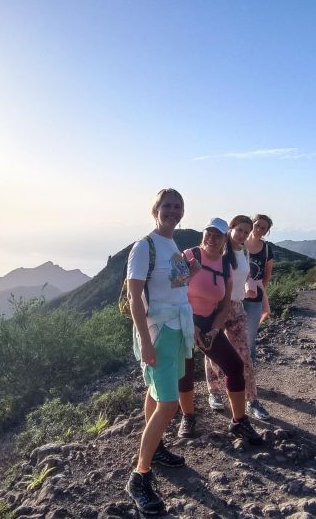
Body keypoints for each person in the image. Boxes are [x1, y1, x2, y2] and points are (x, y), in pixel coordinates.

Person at [124, 188, 196, 516]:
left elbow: (175, 285)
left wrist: (192, 269)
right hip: (158, 332)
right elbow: (134, 299)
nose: (172, 210)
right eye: (167, 205)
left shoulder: (172, 244)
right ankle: (139, 476)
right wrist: (146, 341)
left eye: (177, 206)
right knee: (169, 403)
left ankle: (157, 446)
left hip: (177, 330)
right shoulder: (145, 247)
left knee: (157, 394)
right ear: (155, 209)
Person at [175, 218, 264, 446]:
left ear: (225, 239)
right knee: (185, 370)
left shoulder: (225, 265)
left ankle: (239, 420)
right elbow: (173, 291)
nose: (212, 239)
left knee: (234, 366)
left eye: (218, 235)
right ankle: (188, 417)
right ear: (203, 234)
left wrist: (214, 330)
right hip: (182, 321)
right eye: (209, 234)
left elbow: (225, 305)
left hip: (207, 322)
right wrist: (190, 325)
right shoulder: (189, 255)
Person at [205, 215, 271, 421]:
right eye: (239, 230)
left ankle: (252, 400)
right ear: (230, 229)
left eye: (245, 231)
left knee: (244, 355)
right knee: (212, 354)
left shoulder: (243, 251)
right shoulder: (220, 253)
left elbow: (244, 277)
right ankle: (214, 393)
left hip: (236, 308)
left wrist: (249, 289)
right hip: (215, 308)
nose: (242, 235)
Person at [243, 214, 274, 363]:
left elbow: (267, 273)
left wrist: (258, 289)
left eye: (263, 228)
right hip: (236, 295)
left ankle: (249, 378)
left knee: (250, 338)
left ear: (266, 231)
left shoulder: (267, 249)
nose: (259, 229)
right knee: (231, 334)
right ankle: (233, 376)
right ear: (251, 224)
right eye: (257, 225)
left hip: (255, 297)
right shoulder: (239, 243)